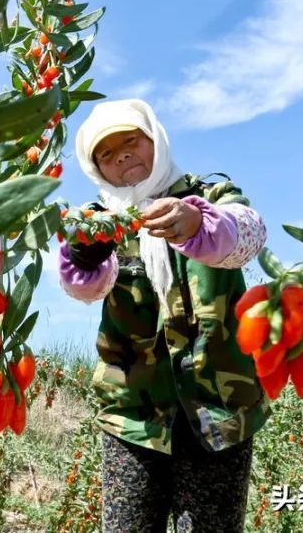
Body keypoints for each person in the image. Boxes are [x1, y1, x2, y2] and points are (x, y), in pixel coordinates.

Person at [58, 99, 271, 532]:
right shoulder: (99, 223)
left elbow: (247, 235)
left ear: (156, 139)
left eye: (131, 140)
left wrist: (196, 224)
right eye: (106, 152)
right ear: (96, 168)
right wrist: (82, 252)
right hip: (133, 417)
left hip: (220, 412)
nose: (121, 155)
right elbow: (83, 287)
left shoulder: (210, 198)